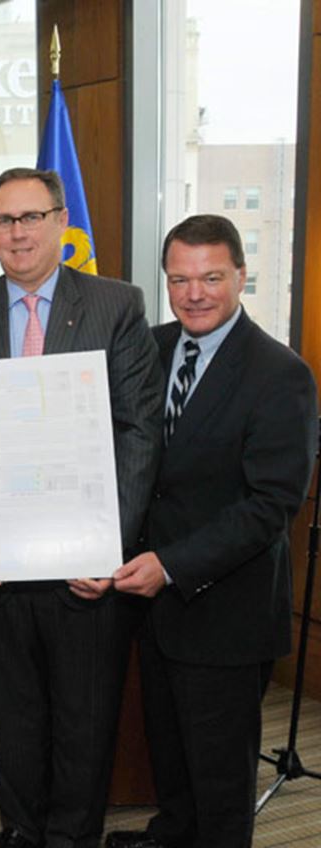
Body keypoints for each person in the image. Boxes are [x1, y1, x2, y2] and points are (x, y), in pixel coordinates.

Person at [0, 168, 164, 848]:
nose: (18, 232)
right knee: (11, 714)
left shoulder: (116, 305)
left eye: (31, 217)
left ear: (61, 222)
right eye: (4, 220)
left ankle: (70, 838)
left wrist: (105, 546)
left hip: (81, 566)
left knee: (83, 719)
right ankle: (21, 829)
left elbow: (139, 432)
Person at [105, 215, 318, 848]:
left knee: (221, 779)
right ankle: (172, 833)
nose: (194, 294)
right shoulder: (149, 347)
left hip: (225, 610)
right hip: (153, 608)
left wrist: (170, 565)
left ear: (241, 276)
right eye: (179, 279)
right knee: (169, 753)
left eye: (211, 278)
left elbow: (270, 505)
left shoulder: (280, 374)